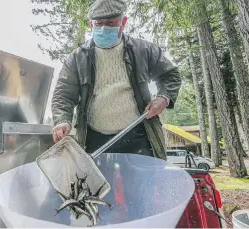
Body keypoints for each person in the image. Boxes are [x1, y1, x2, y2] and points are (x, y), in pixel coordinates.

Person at [51, 0, 182, 160]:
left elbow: (171, 75)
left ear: (123, 22)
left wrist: (164, 98)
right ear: (91, 24)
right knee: (99, 185)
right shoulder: (78, 57)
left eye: (111, 23)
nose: (104, 28)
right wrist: (62, 121)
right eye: (98, 23)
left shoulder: (143, 50)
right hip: (93, 139)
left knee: (141, 184)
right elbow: (63, 94)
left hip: (139, 136)